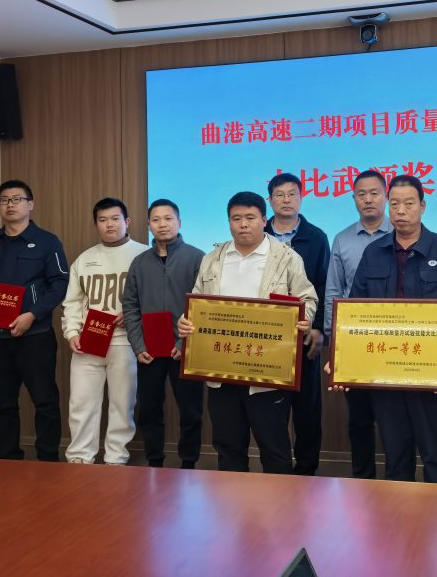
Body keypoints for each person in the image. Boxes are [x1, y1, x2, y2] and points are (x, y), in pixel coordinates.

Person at [178, 191, 317, 474]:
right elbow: (197, 300)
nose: (243, 224)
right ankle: (232, 500)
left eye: (250, 218)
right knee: (228, 448)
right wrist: (185, 321)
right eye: (236, 218)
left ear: (264, 220)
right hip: (221, 370)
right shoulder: (212, 259)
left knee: (274, 449)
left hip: (267, 372)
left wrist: (305, 317)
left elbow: (307, 298)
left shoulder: (286, 258)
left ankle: (279, 501)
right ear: (228, 222)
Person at [348, 175, 437, 484]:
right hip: (386, 371)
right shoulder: (373, 252)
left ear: (422, 206)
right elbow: (355, 309)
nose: (401, 210)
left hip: (432, 374)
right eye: (395, 203)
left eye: (409, 203)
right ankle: (397, 514)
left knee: (436, 456)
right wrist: (344, 359)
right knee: (396, 458)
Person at [0, 179, 68, 461]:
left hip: (35, 336)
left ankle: (48, 461)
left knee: (45, 401)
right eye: (5, 200)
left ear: (30, 205)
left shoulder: (47, 242)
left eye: (17, 199)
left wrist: (32, 314)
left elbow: (59, 284)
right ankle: (8, 460)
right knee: (2, 403)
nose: (10, 205)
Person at [61, 197, 148, 465]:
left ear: (127, 222)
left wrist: (133, 317)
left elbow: (154, 300)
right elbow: (72, 301)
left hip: (126, 342)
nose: (109, 224)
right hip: (88, 341)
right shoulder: (84, 259)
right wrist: (71, 332)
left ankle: (116, 459)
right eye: (102, 220)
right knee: (81, 404)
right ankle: (80, 459)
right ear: (96, 224)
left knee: (123, 404)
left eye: (115, 219)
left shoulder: (144, 255)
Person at [121, 199, 205, 468]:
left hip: (186, 350)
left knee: (190, 411)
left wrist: (183, 343)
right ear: (149, 225)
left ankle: (189, 463)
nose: (162, 224)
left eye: (168, 219)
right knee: (149, 409)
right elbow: (130, 306)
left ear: (179, 222)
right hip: (149, 349)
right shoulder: (139, 263)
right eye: (156, 220)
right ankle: (154, 461)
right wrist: (138, 345)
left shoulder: (197, 258)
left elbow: (202, 306)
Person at [324, 170, 395, 479]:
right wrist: (334, 341)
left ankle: (396, 481)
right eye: (361, 194)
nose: (368, 199)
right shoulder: (342, 239)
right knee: (359, 419)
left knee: (394, 421)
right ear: (353, 198)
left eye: (374, 193)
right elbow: (334, 292)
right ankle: (362, 481)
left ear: (386, 197)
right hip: (354, 343)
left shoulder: (402, 233)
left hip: (395, 343)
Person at [264, 173, 330, 476]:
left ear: (301, 198)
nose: (286, 200)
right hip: (267, 338)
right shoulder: (259, 233)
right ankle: (277, 471)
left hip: (304, 336)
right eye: (280, 194)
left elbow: (324, 284)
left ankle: (306, 471)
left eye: (292, 194)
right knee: (271, 409)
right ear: (270, 200)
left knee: (307, 410)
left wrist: (318, 327)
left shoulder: (316, 237)